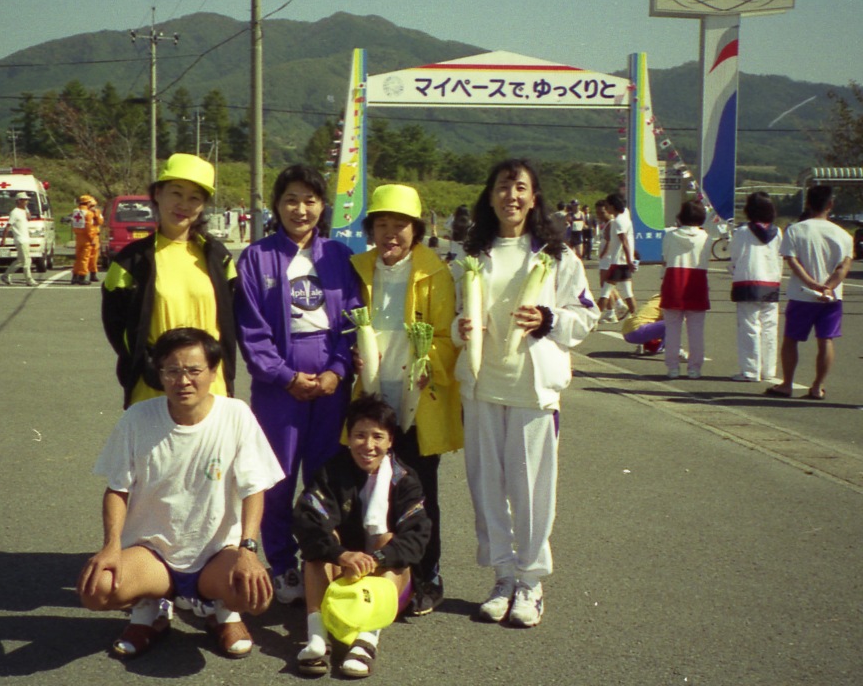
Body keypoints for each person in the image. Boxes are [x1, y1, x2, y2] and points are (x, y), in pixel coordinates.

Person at [77, 328, 285, 660]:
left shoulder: (236, 415)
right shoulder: (137, 418)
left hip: (216, 554)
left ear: (213, 372)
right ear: (159, 374)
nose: (183, 380)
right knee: (96, 590)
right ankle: (150, 610)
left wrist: (248, 549)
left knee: (255, 596)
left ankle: (223, 613)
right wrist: (111, 546)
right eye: (172, 371)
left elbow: (253, 488)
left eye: (193, 370)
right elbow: (117, 488)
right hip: (152, 553)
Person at [452, 158, 598, 627]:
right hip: (481, 385)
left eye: (520, 188)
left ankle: (531, 582)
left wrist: (549, 319)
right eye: (502, 187)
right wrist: (460, 329)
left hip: (532, 389)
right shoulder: (469, 255)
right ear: (490, 195)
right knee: (486, 488)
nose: (511, 196)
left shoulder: (558, 256)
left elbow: (586, 314)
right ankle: (502, 576)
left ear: (534, 198)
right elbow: (452, 316)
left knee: (531, 489)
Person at [234, 164, 361, 604]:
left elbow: (353, 321)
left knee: (326, 478)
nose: (300, 209)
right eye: (291, 199)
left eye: (310, 200)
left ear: (323, 206)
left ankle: (322, 559)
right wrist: (285, 376)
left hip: (330, 388)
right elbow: (251, 330)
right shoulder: (256, 257)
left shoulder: (339, 257)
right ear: (276, 205)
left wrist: (337, 370)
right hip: (278, 391)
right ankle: (282, 563)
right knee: (277, 478)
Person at [349, 183, 461, 616]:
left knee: (419, 494)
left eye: (400, 225)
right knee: (363, 488)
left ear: (416, 230)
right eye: (382, 225)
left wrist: (428, 362)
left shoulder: (435, 273)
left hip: (418, 402)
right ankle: (369, 570)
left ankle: (428, 575)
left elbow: (448, 338)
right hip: (370, 402)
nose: (390, 234)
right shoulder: (359, 270)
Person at [292, 394, 430, 678]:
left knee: (388, 539)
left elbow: (416, 538)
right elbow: (307, 520)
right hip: (342, 571)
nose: (368, 445)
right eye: (360, 436)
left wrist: (375, 559)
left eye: (378, 437)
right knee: (318, 550)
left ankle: (366, 642)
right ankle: (317, 639)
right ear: (348, 437)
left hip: (385, 578)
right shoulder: (331, 472)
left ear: (390, 441)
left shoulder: (405, 479)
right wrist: (341, 554)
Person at [102, 153, 237, 408]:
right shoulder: (130, 261)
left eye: (194, 198)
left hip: (211, 385)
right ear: (158, 194)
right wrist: (147, 365)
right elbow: (116, 327)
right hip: (153, 386)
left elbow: (231, 323)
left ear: (203, 205)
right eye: (176, 193)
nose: (183, 204)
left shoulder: (218, 257)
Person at [766, 185, 853, 400]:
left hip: (802, 294)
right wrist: (828, 286)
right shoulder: (843, 235)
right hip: (831, 297)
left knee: (791, 339)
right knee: (826, 340)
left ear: (808, 203)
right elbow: (843, 266)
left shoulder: (795, 230)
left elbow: (792, 261)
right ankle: (817, 387)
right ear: (830, 204)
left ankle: (787, 384)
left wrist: (811, 283)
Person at [728, 192, 783, 382]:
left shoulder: (742, 231)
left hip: (747, 283)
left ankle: (750, 371)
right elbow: (780, 258)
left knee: (749, 328)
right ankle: (769, 371)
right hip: (771, 283)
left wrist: (733, 270)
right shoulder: (778, 232)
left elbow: (735, 257)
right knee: (770, 328)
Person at [660, 199, 711, 379]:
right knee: (696, 330)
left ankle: (672, 368)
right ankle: (694, 368)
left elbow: (666, 257)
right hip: (697, 282)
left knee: (672, 329)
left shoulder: (670, 236)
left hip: (673, 281)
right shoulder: (706, 237)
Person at [600, 193, 637, 321]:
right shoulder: (625, 219)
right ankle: (637, 319)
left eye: (607, 206)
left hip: (618, 263)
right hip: (623, 262)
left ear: (613, 206)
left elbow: (624, 241)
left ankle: (592, 320)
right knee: (627, 293)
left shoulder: (618, 221)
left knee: (605, 292)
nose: (606, 209)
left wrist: (629, 260)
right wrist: (630, 260)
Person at [0, 192, 38, 287]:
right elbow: (8, 226)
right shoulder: (14, 212)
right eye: (25, 200)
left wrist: (26, 208)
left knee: (20, 260)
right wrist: (3, 239)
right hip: (20, 239)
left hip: (25, 239)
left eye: (27, 200)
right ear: (19, 201)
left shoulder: (23, 211)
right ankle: (29, 280)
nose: (27, 201)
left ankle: (5, 275)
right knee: (27, 260)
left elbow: (29, 218)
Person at [71, 195, 97, 285]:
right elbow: (89, 228)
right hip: (86, 239)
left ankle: (74, 277)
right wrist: (92, 239)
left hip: (78, 238)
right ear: (88, 203)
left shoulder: (75, 211)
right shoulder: (88, 213)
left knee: (78, 258)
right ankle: (82, 277)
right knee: (85, 259)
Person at [87, 197, 105, 283]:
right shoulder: (84, 213)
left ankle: (93, 274)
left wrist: (96, 214)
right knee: (84, 257)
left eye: (94, 205)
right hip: (87, 236)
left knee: (94, 257)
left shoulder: (97, 212)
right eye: (91, 206)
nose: (92, 207)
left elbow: (101, 222)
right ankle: (80, 275)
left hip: (95, 236)